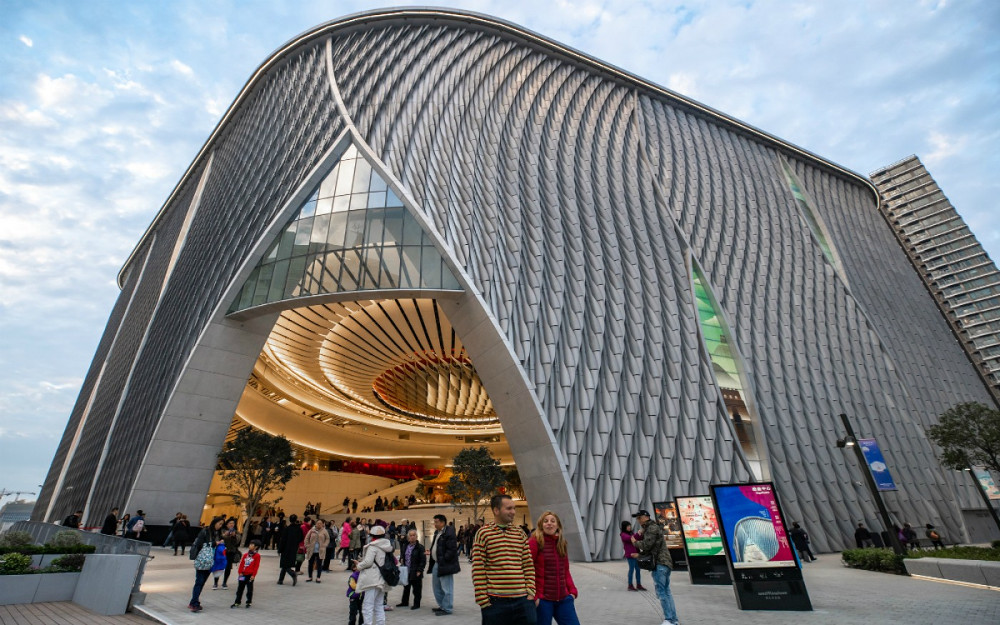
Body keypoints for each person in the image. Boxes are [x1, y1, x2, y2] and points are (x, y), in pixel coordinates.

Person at [472, 494, 536, 625]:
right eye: (509, 508)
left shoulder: (520, 533)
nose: (513, 512)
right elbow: (478, 568)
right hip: (495, 602)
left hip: (522, 600)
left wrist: (530, 592)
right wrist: (483, 599)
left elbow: (528, 565)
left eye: (514, 508)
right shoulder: (484, 533)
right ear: (496, 510)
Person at [529, 511, 579, 625]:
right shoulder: (534, 542)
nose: (549, 524)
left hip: (564, 599)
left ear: (558, 525)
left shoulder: (561, 543)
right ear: (541, 525)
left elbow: (565, 570)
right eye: (546, 521)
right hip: (543, 601)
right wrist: (535, 596)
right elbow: (526, 569)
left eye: (553, 521)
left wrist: (572, 591)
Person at [632, 508, 678, 625]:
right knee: (667, 592)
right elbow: (652, 547)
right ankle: (673, 619)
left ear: (645, 517)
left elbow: (647, 545)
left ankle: (669, 619)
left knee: (662, 592)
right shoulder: (651, 528)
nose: (638, 520)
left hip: (660, 564)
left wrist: (634, 541)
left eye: (639, 518)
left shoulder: (652, 528)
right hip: (664, 563)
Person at [357, 524, 393, 625]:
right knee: (379, 605)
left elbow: (368, 562)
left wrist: (358, 566)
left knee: (367, 606)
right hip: (383, 579)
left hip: (372, 580)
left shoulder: (373, 547)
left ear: (372, 536)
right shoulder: (387, 546)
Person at [189, 516, 225, 612]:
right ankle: (193, 603)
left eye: (222, 524)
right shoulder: (206, 531)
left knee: (202, 582)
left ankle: (194, 601)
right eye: (219, 523)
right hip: (203, 560)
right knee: (199, 582)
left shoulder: (218, 533)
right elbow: (200, 544)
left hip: (211, 560)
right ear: (215, 522)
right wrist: (214, 543)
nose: (220, 526)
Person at [428, 513, 461, 616]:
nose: (435, 524)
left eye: (436, 522)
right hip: (436, 563)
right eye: (434, 522)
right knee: (436, 586)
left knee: (447, 588)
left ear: (443, 522)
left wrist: (444, 559)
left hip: (445, 564)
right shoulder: (437, 532)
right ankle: (442, 605)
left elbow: (451, 550)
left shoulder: (449, 532)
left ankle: (447, 608)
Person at [397, 528, 426, 609]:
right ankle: (404, 602)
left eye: (414, 535)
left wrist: (420, 570)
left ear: (416, 537)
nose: (412, 537)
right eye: (410, 535)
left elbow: (423, 560)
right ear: (408, 537)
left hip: (416, 571)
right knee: (406, 587)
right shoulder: (405, 546)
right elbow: (402, 555)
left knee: (416, 589)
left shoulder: (420, 547)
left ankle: (416, 604)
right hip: (407, 570)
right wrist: (401, 559)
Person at [231, 539, 261, 608]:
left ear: (256, 547)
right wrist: (240, 572)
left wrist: (253, 575)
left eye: (252, 545)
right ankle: (237, 602)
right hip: (242, 574)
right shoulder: (245, 555)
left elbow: (256, 566)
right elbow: (241, 564)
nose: (250, 546)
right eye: (250, 544)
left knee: (249, 589)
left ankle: (248, 602)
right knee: (240, 589)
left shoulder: (257, 556)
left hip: (250, 575)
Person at [277, 513, 304, 585]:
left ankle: (292, 574)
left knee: (284, 564)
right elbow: (301, 538)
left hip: (285, 549)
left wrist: (279, 550)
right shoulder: (299, 529)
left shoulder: (287, 529)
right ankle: (280, 580)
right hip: (294, 549)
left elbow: (283, 540)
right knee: (286, 565)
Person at [620, 520, 646, 590]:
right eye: (628, 526)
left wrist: (641, 534)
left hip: (636, 554)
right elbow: (631, 539)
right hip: (630, 555)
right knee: (631, 570)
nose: (629, 527)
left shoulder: (631, 533)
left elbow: (638, 538)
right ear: (624, 527)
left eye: (630, 526)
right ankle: (630, 585)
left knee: (638, 569)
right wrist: (638, 533)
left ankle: (638, 584)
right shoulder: (623, 534)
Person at [305, 518, 330, 582]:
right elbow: (306, 538)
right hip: (312, 550)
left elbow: (327, 539)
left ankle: (318, 577)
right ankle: (310, 577)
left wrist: (325, 545)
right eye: (318, 523)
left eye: (320, 523)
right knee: (310, 564)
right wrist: (307, 545)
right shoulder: (312, 530)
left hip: (320, 550)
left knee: (319, 564)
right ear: (316, 524)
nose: (319, 524)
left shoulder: (324, 531)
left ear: (322, 524)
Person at [222, 518, 241, 588]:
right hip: (222, 551)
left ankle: (224, 582)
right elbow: (220, 538)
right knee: (219, 567)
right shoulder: (222, 531)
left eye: (233, 523)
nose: (231, 524)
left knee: (228, 568)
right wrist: (226, 535)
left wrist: (234, 536)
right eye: (230, 523)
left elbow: (238, 541)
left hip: (231, 552)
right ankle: (215, 582)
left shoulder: (236, 532)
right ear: (226, 524)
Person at [346, 559, 365, 625]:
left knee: (362, 612)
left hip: (362, 596)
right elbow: (353, 586)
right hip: (354, 597)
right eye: (358, 566)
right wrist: (362, 586)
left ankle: (361, 623)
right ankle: (351, 623)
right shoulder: (353, 576)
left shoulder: (363, 575)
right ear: (354, 568)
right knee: (353, 613)